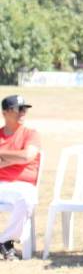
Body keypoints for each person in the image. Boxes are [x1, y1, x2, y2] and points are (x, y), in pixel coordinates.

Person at [0, 95, 41, 261]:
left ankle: (5, 241)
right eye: (19, 109)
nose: (23, 112)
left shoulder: (31, 134)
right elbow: (22, 157)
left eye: (25, 109)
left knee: (26, 198)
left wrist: (3, 157)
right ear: (5, 112)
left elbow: (27, 156)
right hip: (2, 185)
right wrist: (16, 157)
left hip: (23, 185)